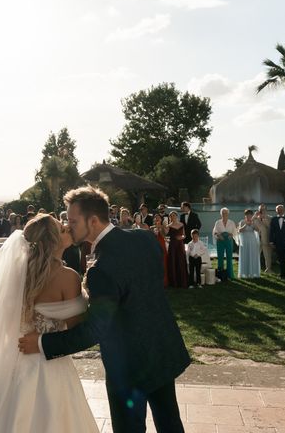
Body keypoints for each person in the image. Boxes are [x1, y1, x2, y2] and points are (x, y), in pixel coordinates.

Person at [19, 186, 190, 433]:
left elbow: (94, 331)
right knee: (171, 423)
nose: (68, 225)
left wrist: (44, 344)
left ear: (94, 220)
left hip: (128, 369)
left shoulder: (101, 269)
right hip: (162, 349)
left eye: (73, 220)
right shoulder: (146, 239)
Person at [0, 214, 99, 432]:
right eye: (62, 229)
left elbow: (7, 322)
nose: (67, 228)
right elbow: (76, 329)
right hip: (51, 365)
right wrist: (88, 294)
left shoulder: (16, 274)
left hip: (14, 360)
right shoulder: (67, 277)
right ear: (53, 242)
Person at [164, 211, 188, 288]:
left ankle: (182, 281)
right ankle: (174, 282)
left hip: (180, 244)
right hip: (173, 245)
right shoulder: (168, 225)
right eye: (171, 216)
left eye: (174, 215)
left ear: (176, 216)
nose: (172, 217)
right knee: (173, 261)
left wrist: (181, 237)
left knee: (180, 261)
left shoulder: (181, 224)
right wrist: (164, 227)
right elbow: (165, 234)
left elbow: (184, 235)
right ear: (170, 217)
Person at [213, 208, 237, 280]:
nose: (224, 214)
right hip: (220, 241)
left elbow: (235, 232)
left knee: (229, 258)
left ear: (228, 214)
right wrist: (219, 235)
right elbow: (215, 232)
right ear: (221, 214)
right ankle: (221, 275)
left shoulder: (231, 222)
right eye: (223, 213)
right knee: (220, 258)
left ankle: (230, 275)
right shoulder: (218, 222)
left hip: (229, 241)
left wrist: (231, 235)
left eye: (226, 213)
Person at [238, 209, 261, 279]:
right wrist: (246, 225)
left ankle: (253, 272)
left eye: (250, 215)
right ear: (245, 215)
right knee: (245, 255)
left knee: (252, 255)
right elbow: (239, 230)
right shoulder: (242, 221)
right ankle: (244, 273)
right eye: (247, 215)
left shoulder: (253, 222)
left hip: (252, 240)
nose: (249, 216)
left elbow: (258, 230)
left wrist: (253, 224)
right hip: (244, 241)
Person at [253, 204, 273, 273]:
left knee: (267, 255)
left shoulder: (270, 218)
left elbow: (269, 227)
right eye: (260, 209)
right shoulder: (255, 218)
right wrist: (254, 216)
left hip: (266, 240)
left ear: (266, 210)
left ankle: (268, 269)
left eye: (263, 209)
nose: (261, 211)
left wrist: (264, 218)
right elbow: (251, 225)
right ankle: (254, 268)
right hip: (257, 240)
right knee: (255, 254)